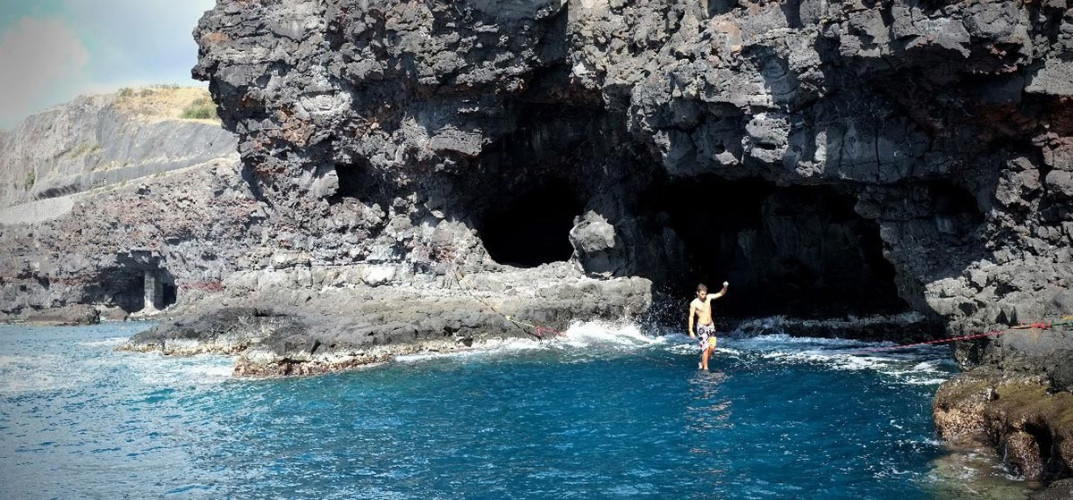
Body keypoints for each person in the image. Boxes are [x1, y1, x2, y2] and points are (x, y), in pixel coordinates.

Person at [689, 281, 728, 370]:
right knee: (705, 349)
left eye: (705, 294)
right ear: (697, 293)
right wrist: (691, 330)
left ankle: (702, 362)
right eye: (702, 294)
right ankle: (705, 369)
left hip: (711, 326)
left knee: (712, 348)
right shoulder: (693, 303)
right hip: (701, 328)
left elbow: (720, 294)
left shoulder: (708, 297)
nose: (704, 296)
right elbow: (691, 317)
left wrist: (725, 287)